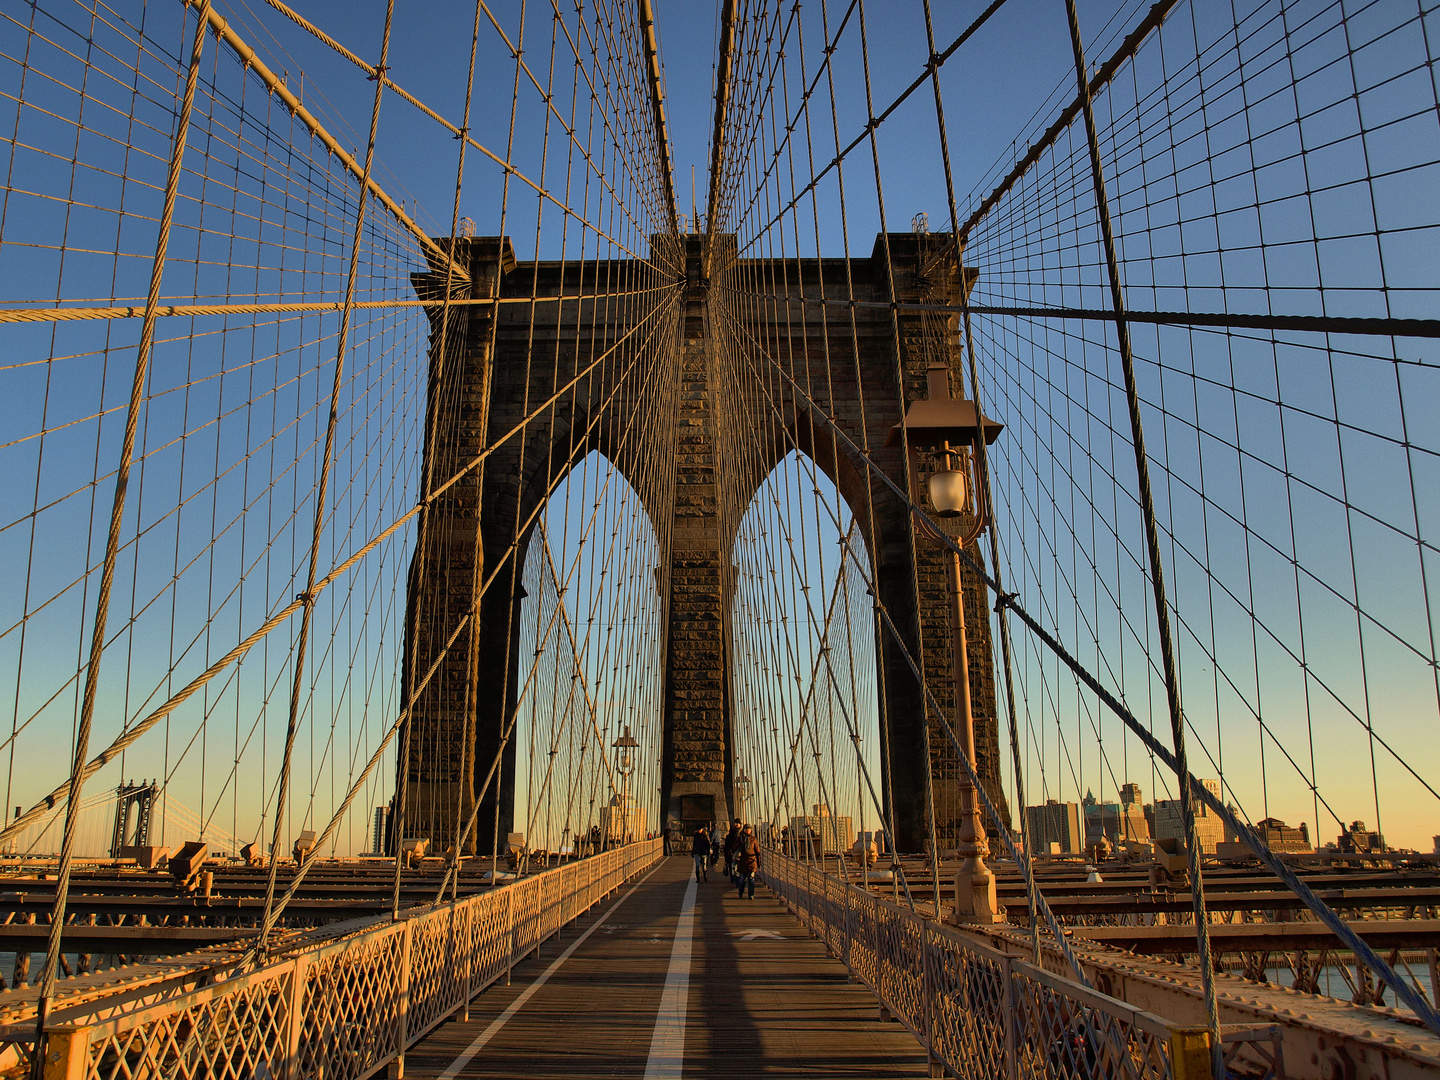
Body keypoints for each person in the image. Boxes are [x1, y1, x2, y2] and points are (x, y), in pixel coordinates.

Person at [734, 823, 761, 899]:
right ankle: (741, 891)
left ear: (751, 830)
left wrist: (758, 862)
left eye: (749, 829)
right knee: (742, 880)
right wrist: (739, 844)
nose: (747, 830)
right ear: (744, 830)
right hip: (743, 862)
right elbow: (734, 847)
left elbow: (757, 852)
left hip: (752, 862)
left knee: (751, 879)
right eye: (746, 829)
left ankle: (751, 895)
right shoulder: (740, 839)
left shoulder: (754, 839)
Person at [723, 818, 743, 882]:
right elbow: (726, 846)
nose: (736, 824)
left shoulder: (743, 834)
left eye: (738, 823)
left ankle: (738, 881)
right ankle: (734, 880)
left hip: (741, 853)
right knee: (732, 868)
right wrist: (726, 855)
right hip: (731, 853)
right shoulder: (730, 834)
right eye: (735, 823)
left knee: (739, 868)